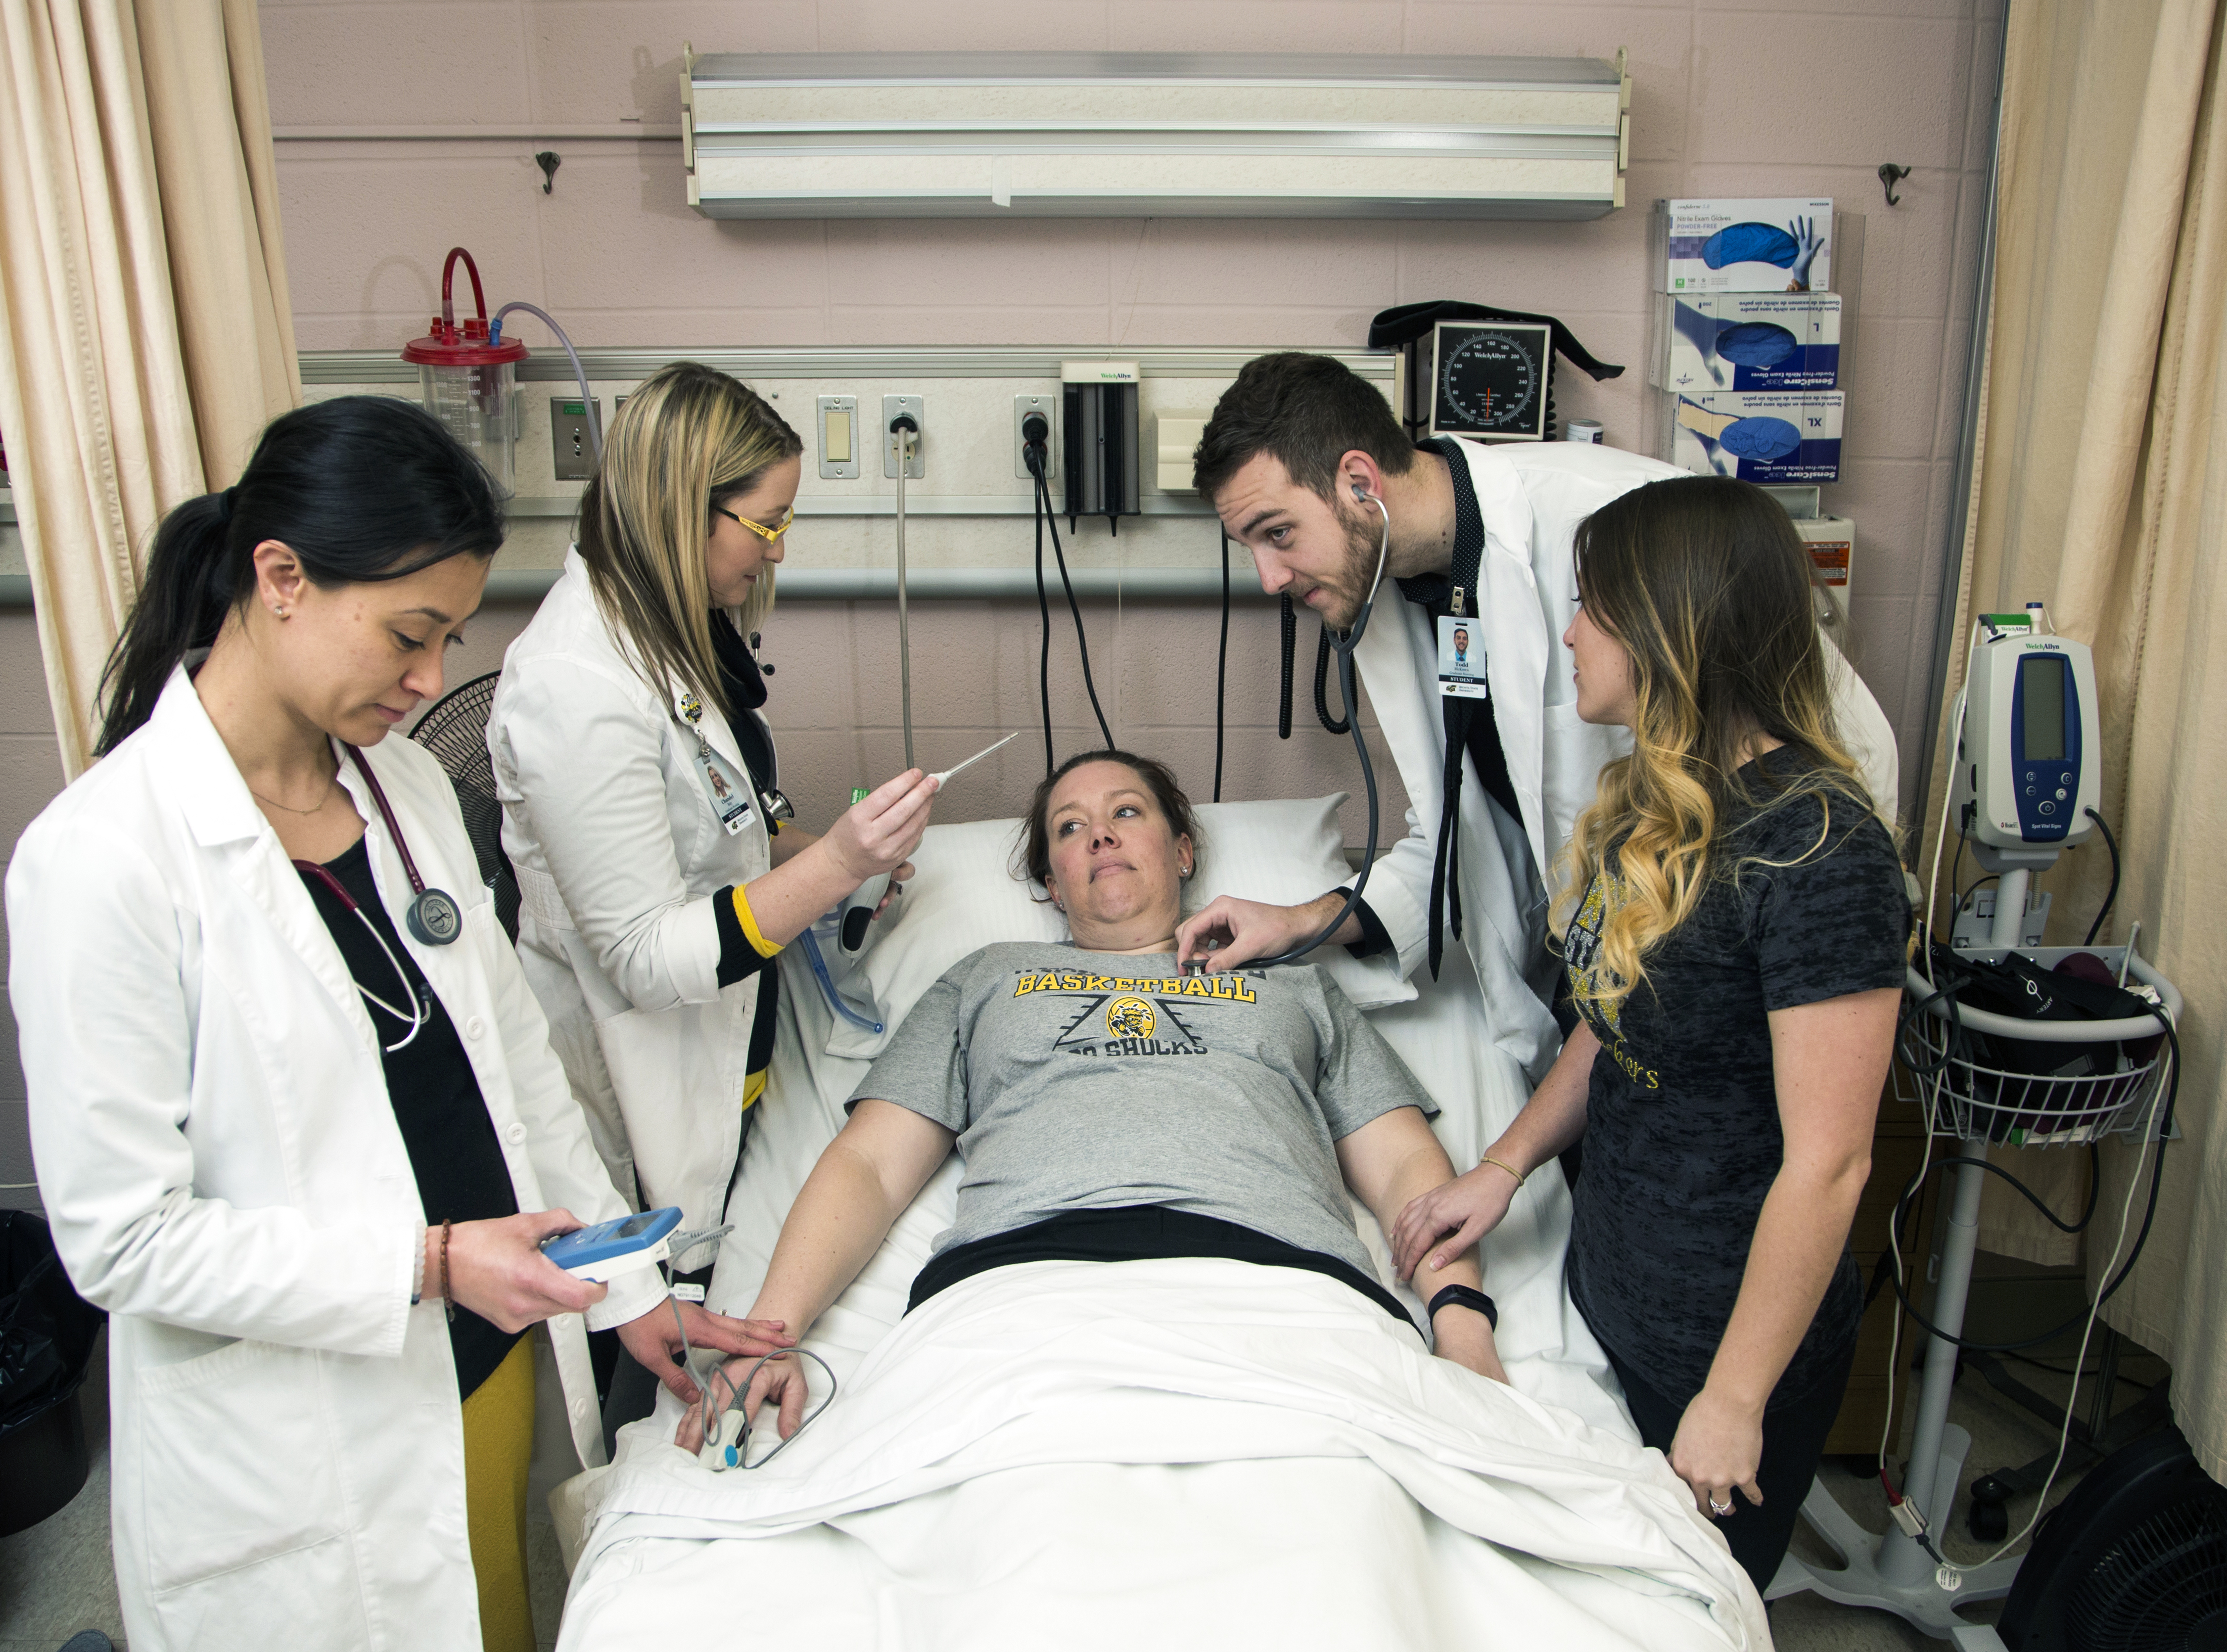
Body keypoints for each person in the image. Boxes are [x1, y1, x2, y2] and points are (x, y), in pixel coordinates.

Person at [6, 397, 790, 1652]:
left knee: (495, 1610)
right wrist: (425, 1265)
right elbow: (121, 1241)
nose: (431, 682)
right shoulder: (102, 860)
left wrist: (621, 1281)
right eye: (408, 635)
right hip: (307, 1431)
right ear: (280, 577)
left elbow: (517, 1068)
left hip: (483, 1363)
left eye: (448, 637)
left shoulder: (402, 783)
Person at [1388, 476, 1909, 1591]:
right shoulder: (1663, 807)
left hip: (1728, 1349)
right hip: (1614, 1298)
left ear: (1672, 623)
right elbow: (1606, 1022)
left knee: (1691, 1606)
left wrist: (1732, 1398)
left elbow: (1830, 1164)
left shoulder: (1816, 846)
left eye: (1590, 606)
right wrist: (1503, 1163)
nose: (1568, 634)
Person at [679, 749, 1507, 1447]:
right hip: (1019, 1296)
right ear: (1048, 881)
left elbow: (1405, 1166)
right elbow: (868, 1164)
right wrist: (769, 1337)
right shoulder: (983, 979)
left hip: (1282, 1290)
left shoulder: (1294, 988)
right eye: (1069, 828)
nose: (1100, 834)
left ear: (1184, 852)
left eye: (1126, 813)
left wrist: (1461, 1323)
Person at [1179, 352, 1899, 1079]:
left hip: (1733, 1001)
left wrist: (1802, 962)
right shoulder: (1391, 585)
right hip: (1602, 996)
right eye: (1250, 548)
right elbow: (1468, 838)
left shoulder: (1618, 525)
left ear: (1359, 482)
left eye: (1277, 534)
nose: (1269, 578)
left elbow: (1840, 757)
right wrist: (1309, 920)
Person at [488, 361, 939, 1306]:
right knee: (650, 1322)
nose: (775, 553)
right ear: (678, 507)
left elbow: (719, 827)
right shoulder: (577, 685)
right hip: (636, 1069)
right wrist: (834, 863)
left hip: (724, 1045)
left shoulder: (667, 636)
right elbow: (647, 958)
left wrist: (834, 861)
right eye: (766, 524)